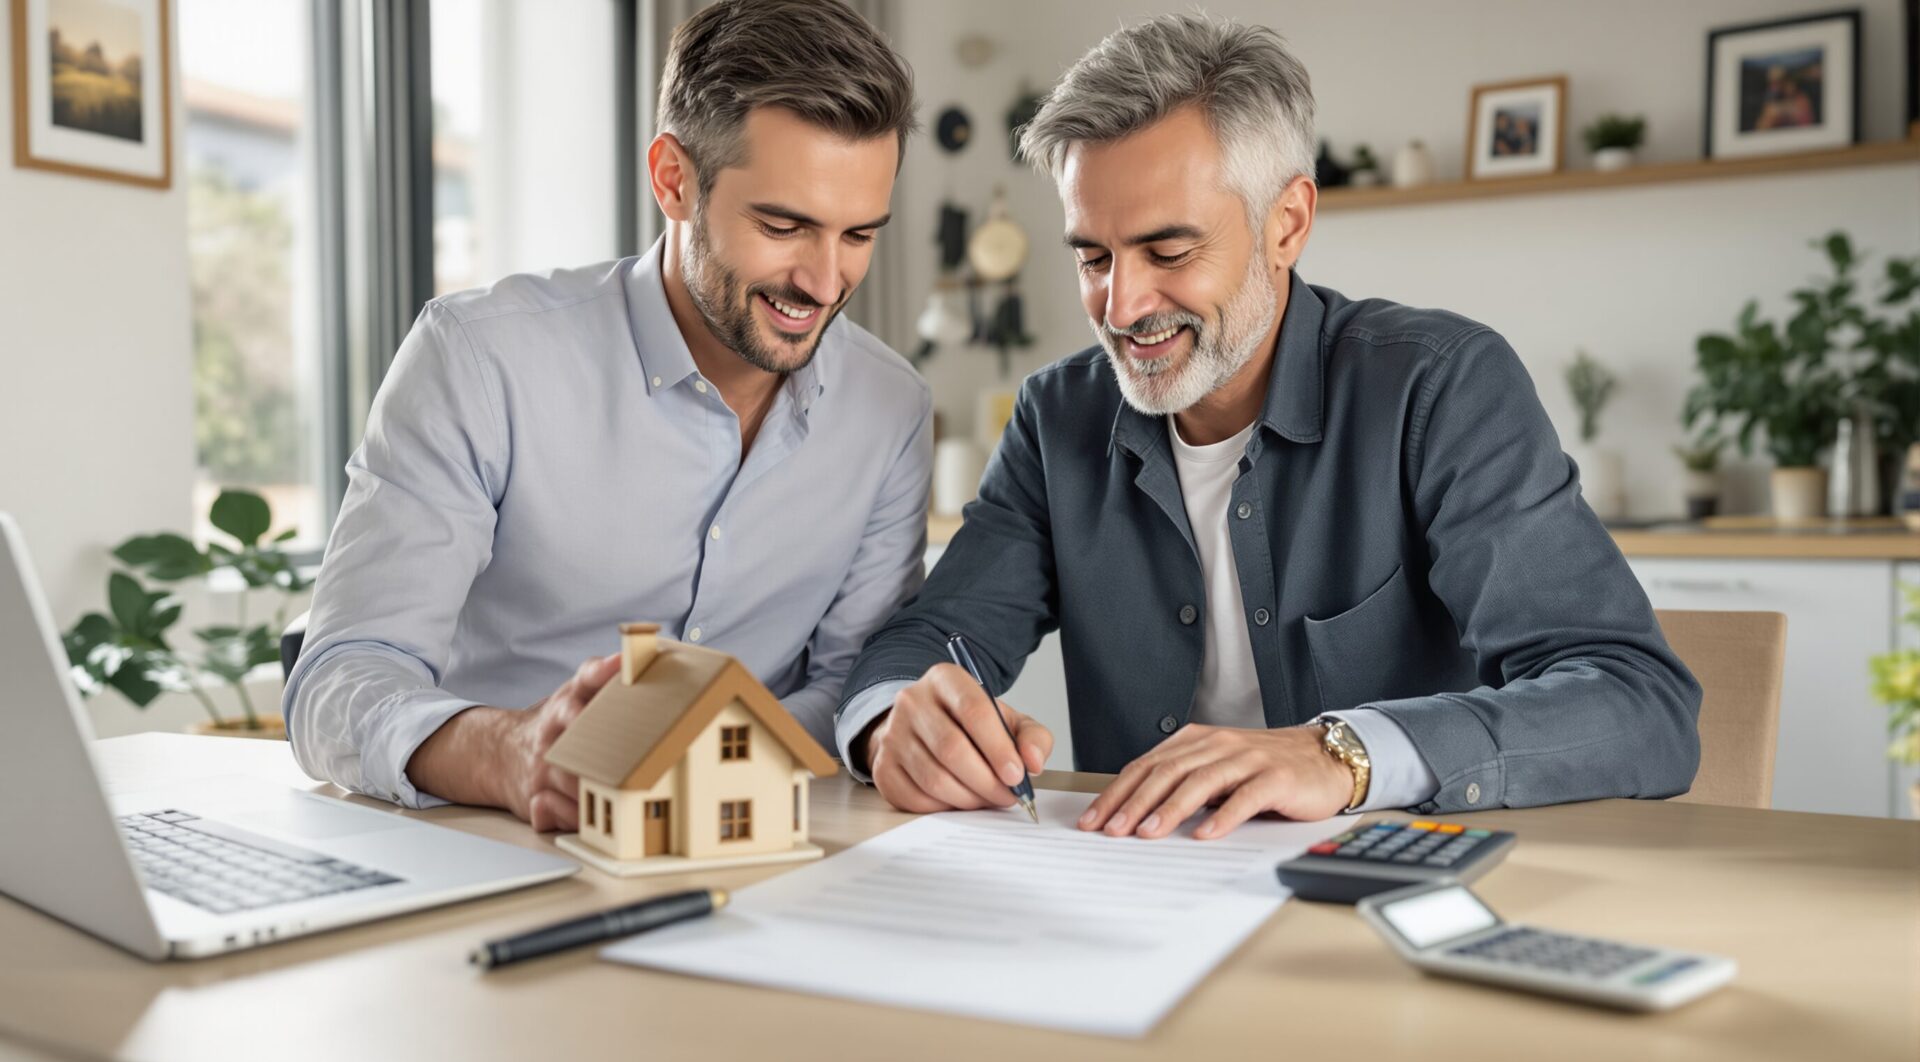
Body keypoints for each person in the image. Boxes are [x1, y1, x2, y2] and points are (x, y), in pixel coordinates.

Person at [836, 13, 1700, 840]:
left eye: (1168, 252)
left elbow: (1637, 702)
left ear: (1286, 222)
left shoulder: (1440, 389)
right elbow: (926, 641)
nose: (1122, 305)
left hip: (1389, 908)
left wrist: (1344, 753)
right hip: (1144, 909)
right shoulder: (1056, 418)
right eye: (1093, 258)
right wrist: (893, 725)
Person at [285, 0, 929, 833]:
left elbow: (855, 687)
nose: (824, 280)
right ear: (674, 180)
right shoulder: (480, 359)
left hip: (755, 846)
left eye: (859, 236)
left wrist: (703, 762)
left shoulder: (891, 409)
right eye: (783, 225)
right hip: (498, 842)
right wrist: (512, 752)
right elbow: (342, 675)